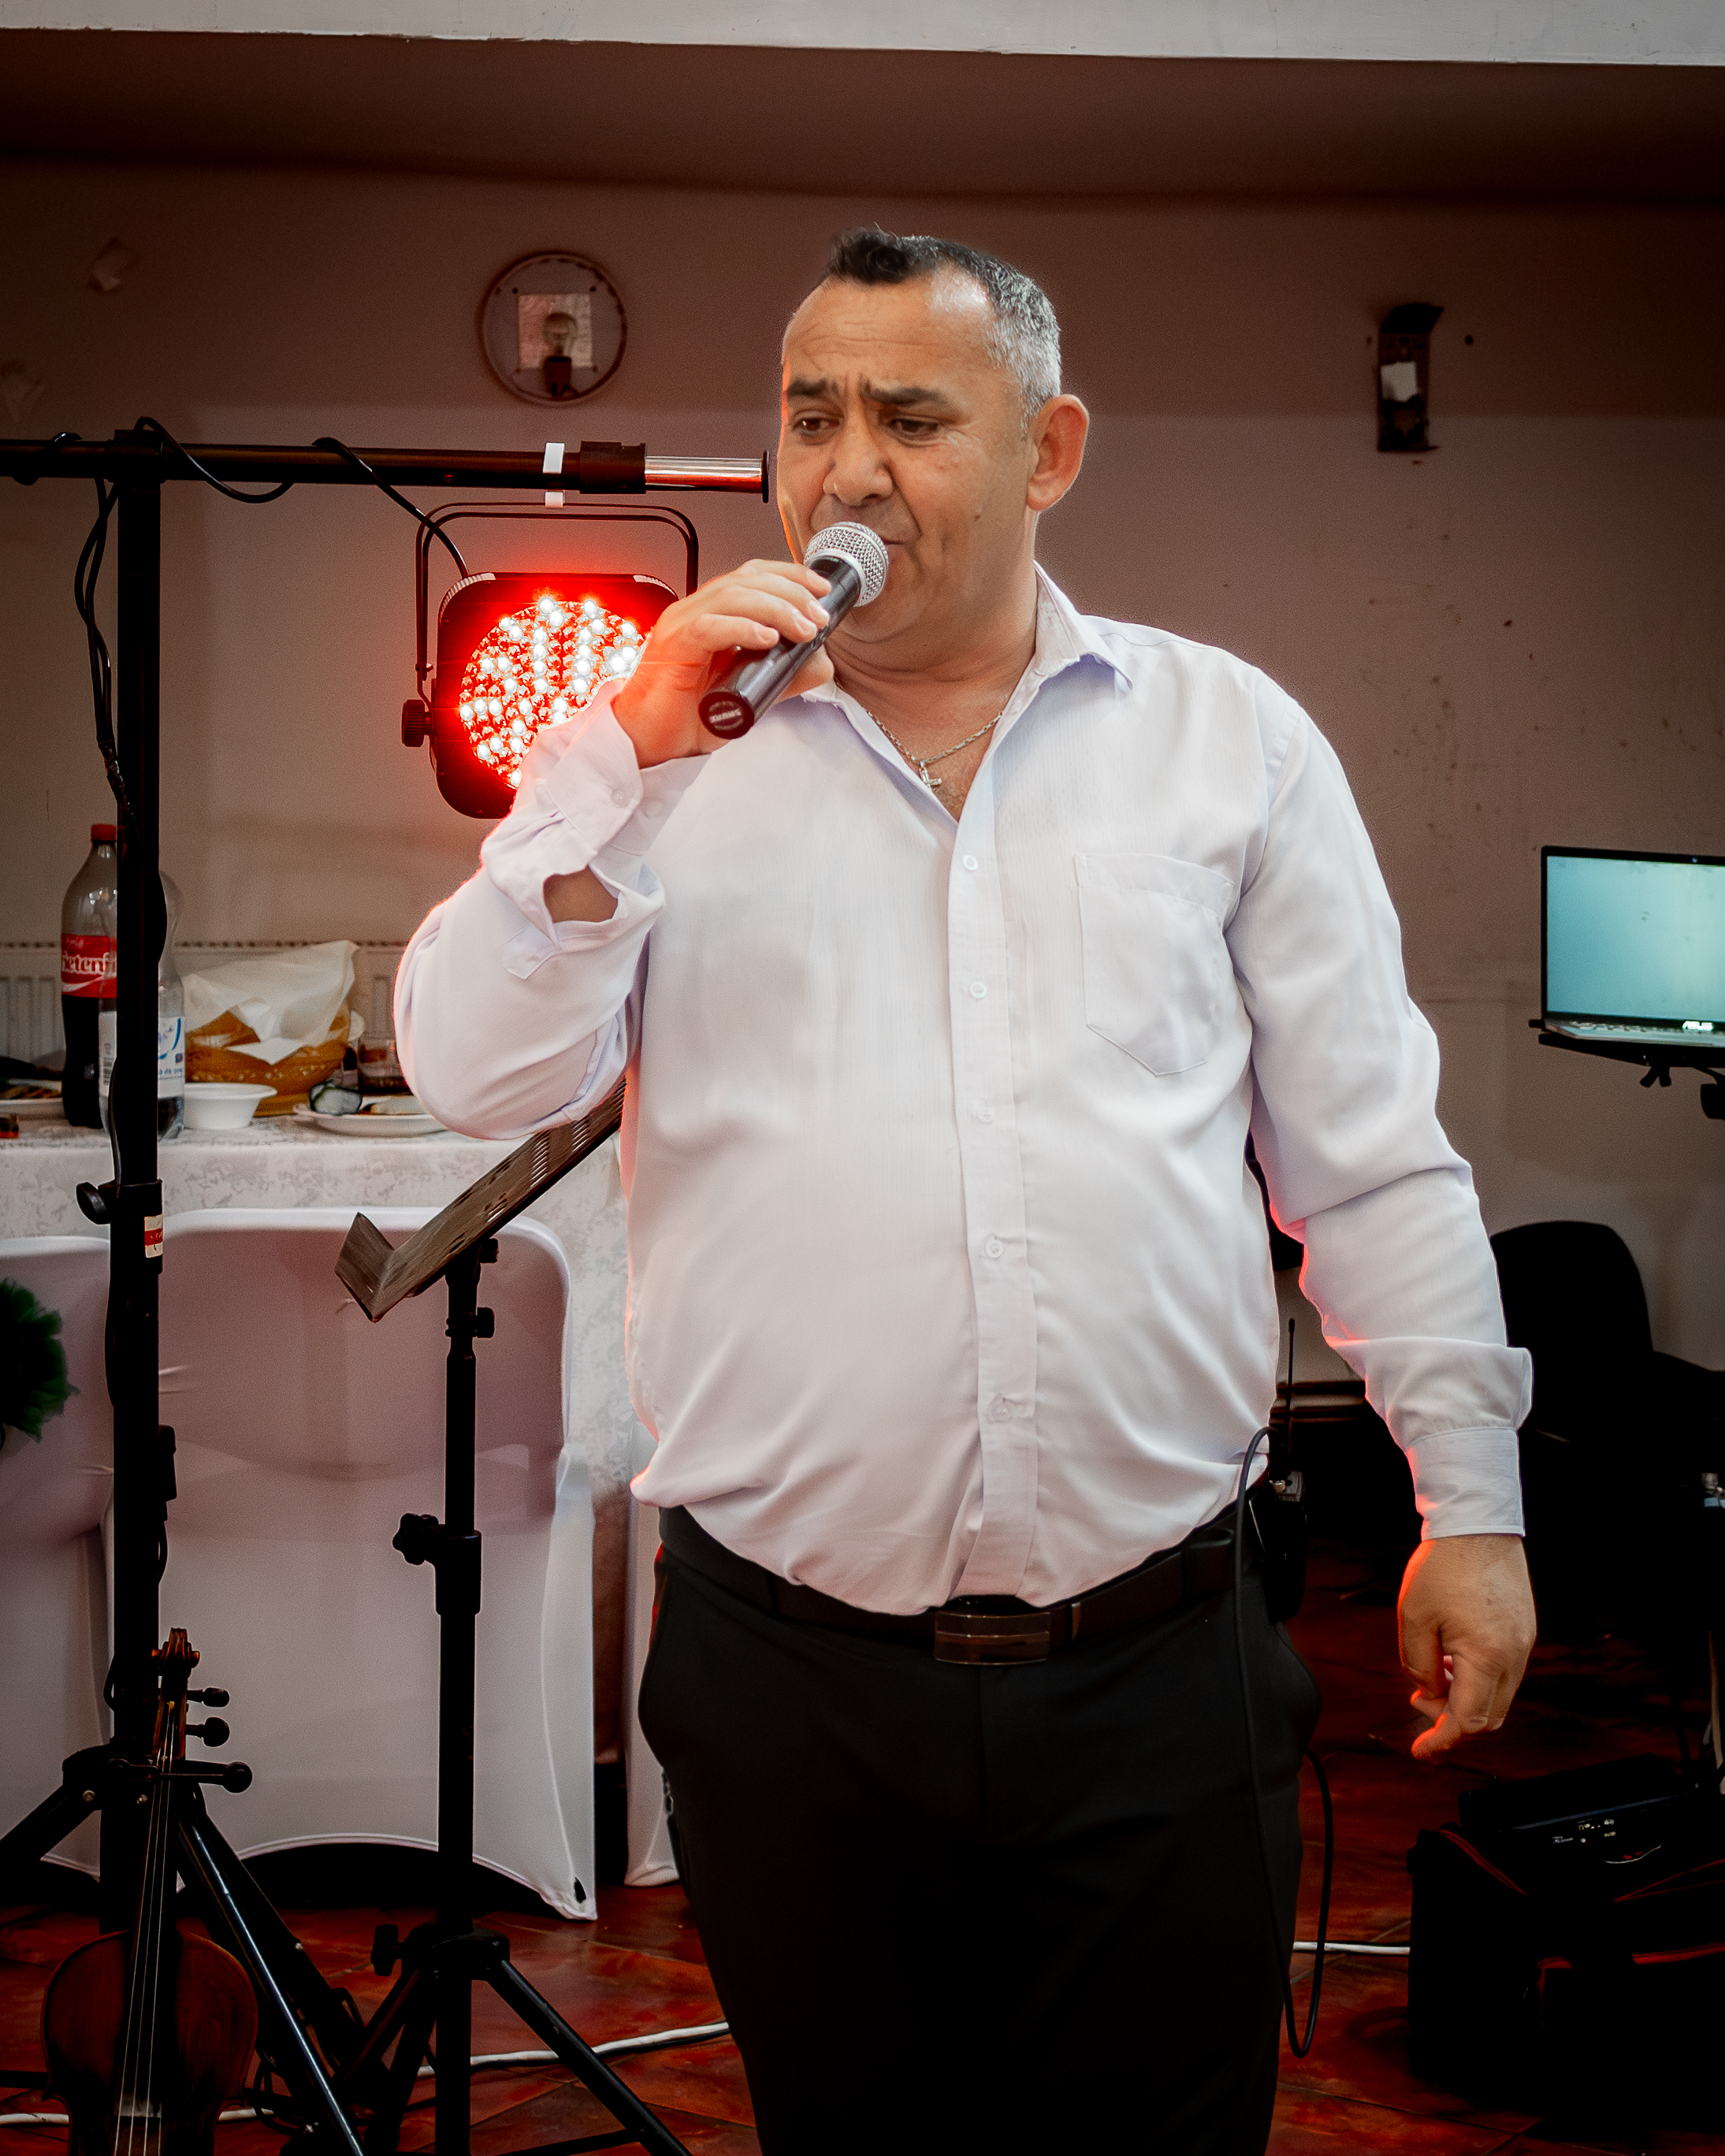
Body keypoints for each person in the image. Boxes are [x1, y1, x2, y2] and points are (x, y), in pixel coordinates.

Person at [397, 228, 1537, 2154]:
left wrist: (1474, 1507)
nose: (847, 469)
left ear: (1050, 451)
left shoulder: (1225, 743)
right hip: (789, 1681)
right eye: (810, 418)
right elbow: (471, 1073)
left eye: (913, 420)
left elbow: (1369, 1164)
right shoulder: (667, 765)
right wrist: (616, 762)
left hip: (1160, 1667)